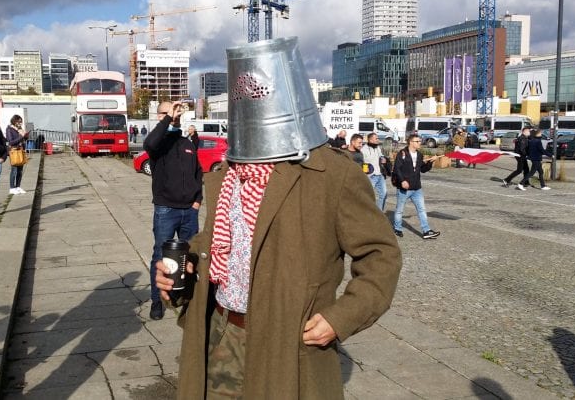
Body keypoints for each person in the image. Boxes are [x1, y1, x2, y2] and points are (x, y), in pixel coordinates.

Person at [156, 37, 401, 399]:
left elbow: (382, 255)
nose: (250, 101)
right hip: (219, 331)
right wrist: (186, 264)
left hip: (286, 348)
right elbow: (222, 239)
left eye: (256, 90)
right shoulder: (230, 173)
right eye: (242, 92)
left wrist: (340, 318)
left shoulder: (332, 175)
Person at [143, 101, 203, 320]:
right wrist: (168, 117)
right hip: (166, 210)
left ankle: (186, 299)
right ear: (160, 115)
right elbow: (150, 143)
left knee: (190, 256)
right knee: (160, 256)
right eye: (167, 112)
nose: (174, 114)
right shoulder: (159, 143)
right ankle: (157, 301)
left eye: (176, 112)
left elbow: (197, 173)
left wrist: (197, 201)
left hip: (189, 211)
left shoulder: (186, 143)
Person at [392, 135, 441, 239]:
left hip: (416, 188)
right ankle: (397, 228)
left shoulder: (419, 154)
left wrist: (431, 162)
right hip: (404, 188)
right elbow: (397, 169)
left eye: (420, 141)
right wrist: (402, 181)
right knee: (400, 210)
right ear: (411, 142)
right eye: (417, 141)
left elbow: (422, 169)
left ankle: (426, 231)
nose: (420, 143)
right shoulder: (402, 153)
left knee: (422, 209)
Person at [362, 132, 388, 211]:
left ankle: (379, 213)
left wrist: (383, 158)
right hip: (370, 176)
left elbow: (381, 155)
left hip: (379, 175)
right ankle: (365, 212)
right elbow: (362, 163)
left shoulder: (377, 148)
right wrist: (365, 173)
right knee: (368, 196)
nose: (378, 140)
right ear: (370, 140)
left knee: (384, 194)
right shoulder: (363, 150)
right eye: (376, 138)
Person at [6, 114, 29, 195]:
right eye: (18, 122)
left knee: (20, 170)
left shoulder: (20, 129)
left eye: (21, 122)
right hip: (14, 151)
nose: (20, 123)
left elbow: (23, 138)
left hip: (21, 150)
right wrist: (21, 136)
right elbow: (11, 142)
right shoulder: (9, 129)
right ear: (14, 121)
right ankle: (12, 188)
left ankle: (18, 186)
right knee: (14, 170)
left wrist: (25, 136)